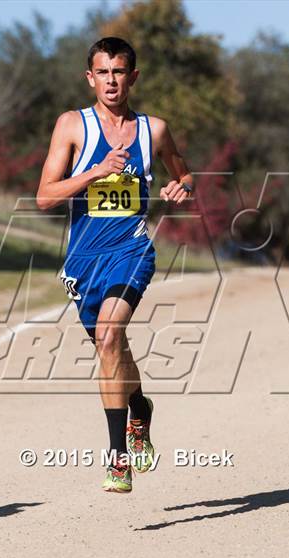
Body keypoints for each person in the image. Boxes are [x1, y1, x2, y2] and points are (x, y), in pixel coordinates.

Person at [37, 37, 193, 493]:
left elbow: (183, 173)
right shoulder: (71, 126)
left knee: (109, 334)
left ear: (133, 77)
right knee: (112, 348)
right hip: (83, 259)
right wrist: (94, 172)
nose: (111, 81)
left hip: (131, 250)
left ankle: (117, 459)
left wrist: (182, 186)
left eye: (119, 72)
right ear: (90, 77)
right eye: (102, 72)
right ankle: (140, 408)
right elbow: (45, 196)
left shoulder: (154, 130)